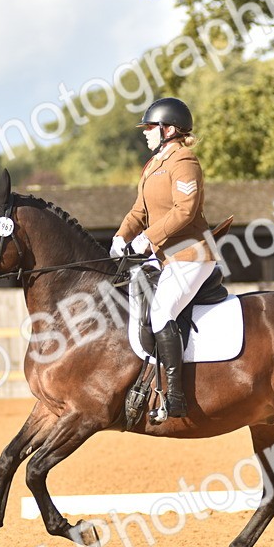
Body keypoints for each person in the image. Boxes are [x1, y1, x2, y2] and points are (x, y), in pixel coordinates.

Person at [111, 97, 218, 419]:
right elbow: (139, 210)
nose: (145, 133)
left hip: (190, 255)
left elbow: (185, 211)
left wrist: (147, 238)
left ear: (168, 129)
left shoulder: (184, 161)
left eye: (150, 128)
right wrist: (121, 236)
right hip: (162, 257)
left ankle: (175, 397)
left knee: (160, 313)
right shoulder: (154, 164)